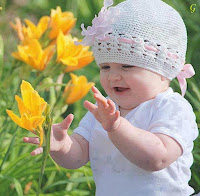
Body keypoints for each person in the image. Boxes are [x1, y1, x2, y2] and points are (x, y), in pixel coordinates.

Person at [24, 0, 199, 195]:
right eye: (105, 67)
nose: (113, 76)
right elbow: (78, 156)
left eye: (127, 66)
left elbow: (157, 158)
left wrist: (116, 127)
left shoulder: (172, 108)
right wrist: (61, 146)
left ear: (164, 71)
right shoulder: (105, 109)